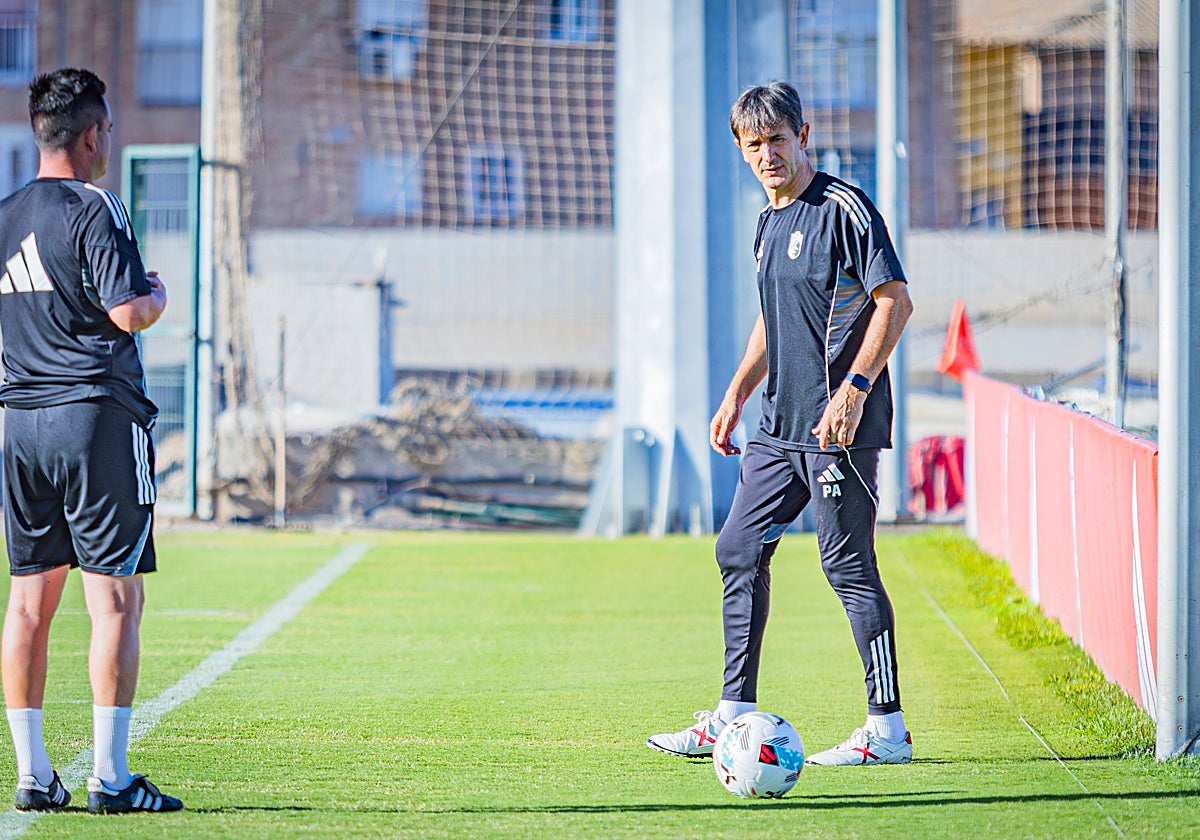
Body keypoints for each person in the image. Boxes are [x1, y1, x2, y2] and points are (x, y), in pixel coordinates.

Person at [647, 81, 915, 766]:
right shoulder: (767, 222)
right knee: (737, 549)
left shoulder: (844, 208)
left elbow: (895, 302)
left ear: (804, 137)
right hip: (775, 428)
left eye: (779, 139)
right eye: (755, 143)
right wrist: (738, 391)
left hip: (836, 431)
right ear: (741, 150)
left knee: (846, 565)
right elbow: (773, 318)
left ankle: (886, 730)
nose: (769, 153)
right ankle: (732, 715)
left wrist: (856, 388)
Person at [0, 67, 183, 813]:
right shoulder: (95, 205)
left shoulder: (5, 213)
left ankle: (33, 775)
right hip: (93, 417)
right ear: (92, 133)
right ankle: (111, 777)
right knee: (115, 603)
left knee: (27, 606)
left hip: (18, 423)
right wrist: (158, 295)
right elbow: (128, 314)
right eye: (105, 129)